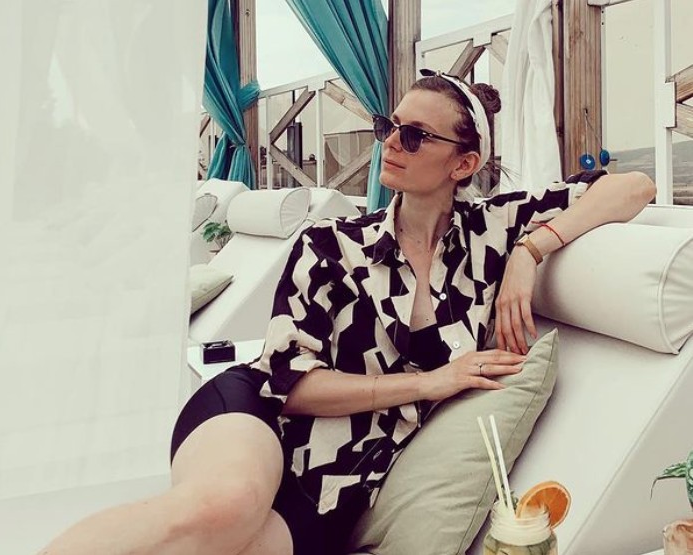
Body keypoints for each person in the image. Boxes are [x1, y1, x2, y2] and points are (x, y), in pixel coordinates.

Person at [39, 72, 656, 555]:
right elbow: (290, 384)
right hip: (261, 417)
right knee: (223, 507)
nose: (390, 143)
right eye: (391, 126)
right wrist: (430, 383)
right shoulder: (329, 244)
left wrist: (530, 250)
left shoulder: (494, 230)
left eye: (415, 136)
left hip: (341, 482)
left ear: (463, 164)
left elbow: (633, 187)